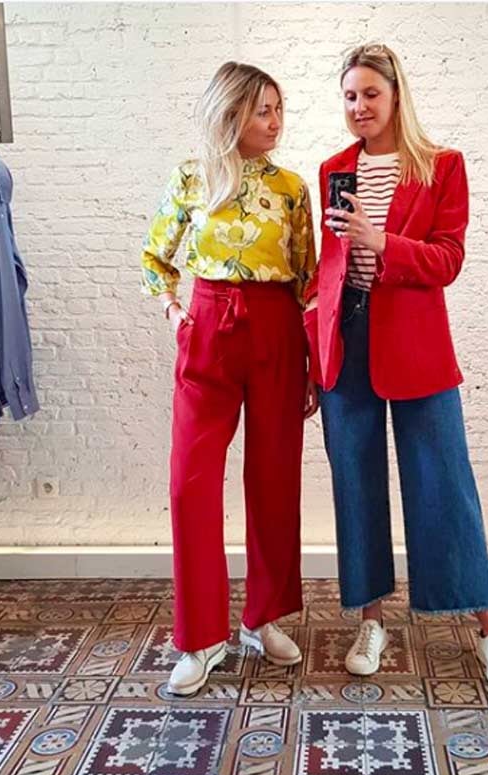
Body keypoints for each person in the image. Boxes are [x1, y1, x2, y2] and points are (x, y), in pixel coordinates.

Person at [304, 43, 488, 689]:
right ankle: (370, 620)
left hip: (417, 344)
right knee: (356, 484)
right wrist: (312, 346)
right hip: (346, 343)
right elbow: (327, 267)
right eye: (349, 96)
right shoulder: (333, 169)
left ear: (397, 94)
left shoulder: (441, 165)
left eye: (370, 93)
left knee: (445, 483)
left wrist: (381, 241)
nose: (359, 106)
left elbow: (447, 260)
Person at [141, 61, 318, 696]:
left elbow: (308, 280)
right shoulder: (192, 178)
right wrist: (176, 314)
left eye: (279, 109)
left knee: (273, 477)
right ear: (232, 112)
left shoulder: (292, 188)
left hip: (276, 333)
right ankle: (200, 637)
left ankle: (262, 617)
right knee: (190, 483)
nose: (275, 121)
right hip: (209, 328)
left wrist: (312, 364)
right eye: (263, 110)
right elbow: (154, 256)